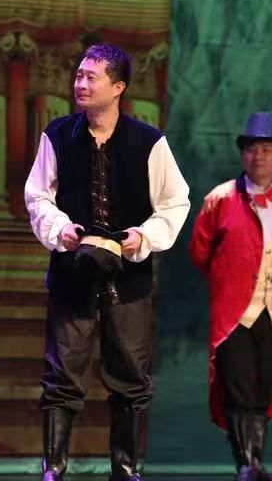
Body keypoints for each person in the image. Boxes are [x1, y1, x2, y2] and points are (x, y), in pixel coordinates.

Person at [24, 44, 191, 481]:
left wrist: (143, 237)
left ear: (118, 87)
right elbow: (38, 196)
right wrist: (60, 229)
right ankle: (54, 468)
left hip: (128, 276)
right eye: (79, 75)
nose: (80, 83)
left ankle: (126, 468)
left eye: (91, 77)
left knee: (131, 375)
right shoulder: (58, 135)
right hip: (72, 273)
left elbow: (175, 202)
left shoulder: (148, 141)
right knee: (62, 373)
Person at [189, 111, 272, 481]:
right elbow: (199, 251)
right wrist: (230, 278)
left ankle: (255, 463)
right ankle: (245, 465)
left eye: (267, 149)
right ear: (242, 155)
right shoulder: (220, 199)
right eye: (252, 149)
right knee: (238, 387)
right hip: (234, 315)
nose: (259, 157)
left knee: (264, 387)